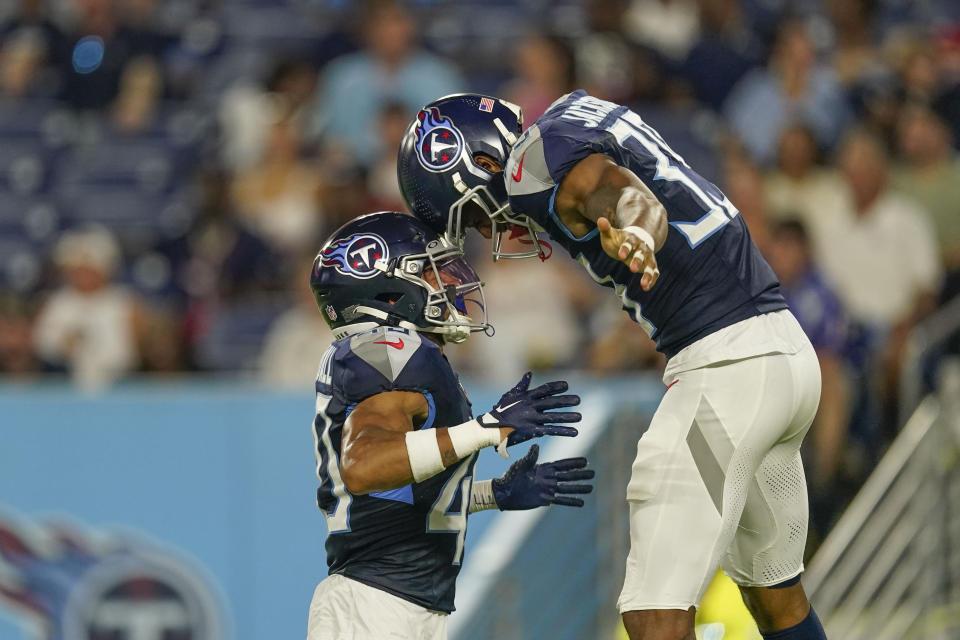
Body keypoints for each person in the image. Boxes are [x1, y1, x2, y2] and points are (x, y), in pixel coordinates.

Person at [397, 92, 826, 640]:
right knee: (776, 599)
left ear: (479, 164)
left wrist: (639, 230)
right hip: (783, 352)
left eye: (474, 215)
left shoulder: (535, 165)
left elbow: (624, 195)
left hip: (727, 370)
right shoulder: (573, 115)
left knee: (653, 616)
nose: (487, 231)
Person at [306, 211, 594, 640]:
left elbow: (398, 497)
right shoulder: (390, 347)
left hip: (391, 603)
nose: (452, 284)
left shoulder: (400, 352)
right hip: (378, 607)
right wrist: (485, 429)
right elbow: (365, 466)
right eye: (430, 270)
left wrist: (489, 494)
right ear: (387, 291)